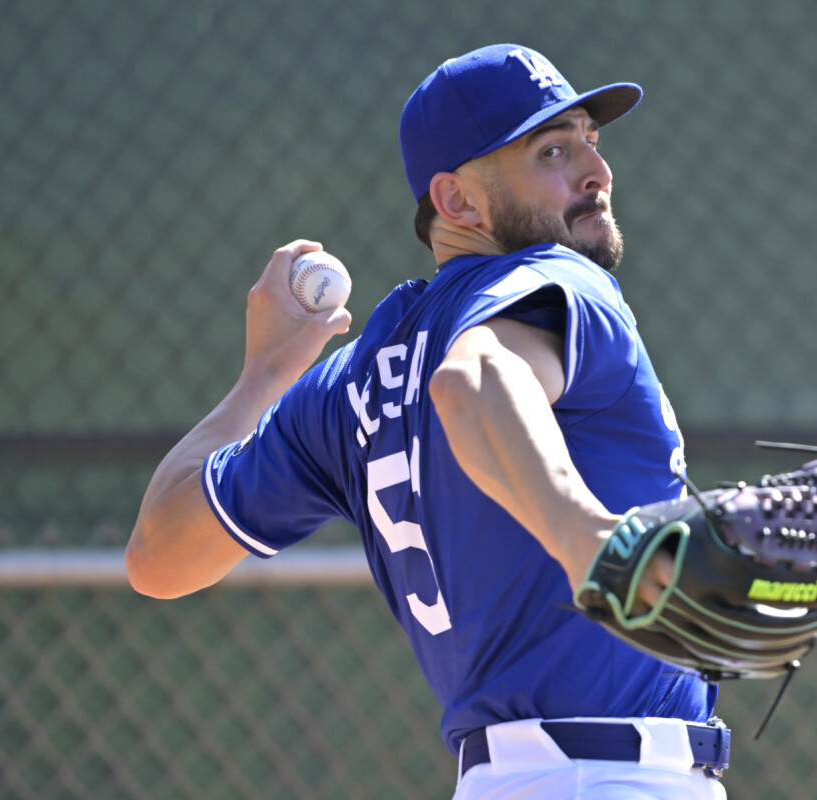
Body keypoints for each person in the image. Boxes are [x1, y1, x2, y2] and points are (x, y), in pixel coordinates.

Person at [126, 44, 730, 799]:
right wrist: (592, 541)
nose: (595, 172)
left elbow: (157, 555)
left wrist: (266, 374)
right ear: (457, 203)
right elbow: (475, 379)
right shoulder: (557, 276)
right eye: (552, 150)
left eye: (590, 141)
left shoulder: (344, 388)